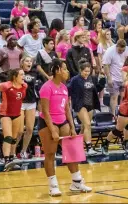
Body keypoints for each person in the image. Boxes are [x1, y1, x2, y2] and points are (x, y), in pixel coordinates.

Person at [38, 59, 91, 196]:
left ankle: (77, 183)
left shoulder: (64, 87)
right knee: (50, 154)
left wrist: (72, 126)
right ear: (57, 70)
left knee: (72, 152)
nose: (67, 71)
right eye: (65, 69)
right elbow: (45, 111)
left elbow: (67, 109)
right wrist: (52, 129)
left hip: (63, 121)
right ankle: (53, 186)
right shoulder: (46, 87)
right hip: (47, 122)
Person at [67, 59, 100, 156]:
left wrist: (102, 82)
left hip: (90, 104)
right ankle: (89, 147)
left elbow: (96, 90)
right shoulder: (75, 80)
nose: (87, 73)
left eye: (88, 71)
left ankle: (76, 146)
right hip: (80, 104)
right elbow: (67, 89)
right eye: (85, 71)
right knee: (88, 124)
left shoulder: (91, 78)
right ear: (80, 70)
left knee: (84, 127)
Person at [16, 56, 38, 159]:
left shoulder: (35, 73)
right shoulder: (18, 73)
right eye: (27, 61)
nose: (29, 63)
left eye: (30, 61)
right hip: (20, 102)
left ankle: (23, 151)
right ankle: (11, 152)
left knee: (29, 129)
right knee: (19, 131)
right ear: (22, 63)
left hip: (31, 102)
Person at [103, 39, 128, 115]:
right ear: (116, 46)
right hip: (113, 78)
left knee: (123, 97)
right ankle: (113, 115)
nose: (121, 52)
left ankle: (122, 113)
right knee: (114, 97)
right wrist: (109, 78)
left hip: (124, 77)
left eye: (123, 50)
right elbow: (106, 65)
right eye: (120, 50)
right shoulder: (110, 51)